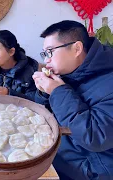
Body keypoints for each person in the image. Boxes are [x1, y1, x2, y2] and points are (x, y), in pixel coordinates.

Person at [33, 20, 113, 180]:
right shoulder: (69, 72)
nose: (46, 60)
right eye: (44, 54)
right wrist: (44, 93)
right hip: (60, 158)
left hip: (93, 172)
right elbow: (48, 117)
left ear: (77, 48)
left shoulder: (109, 81)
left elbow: (95, 136)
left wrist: (57, 91)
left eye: (50, 52)